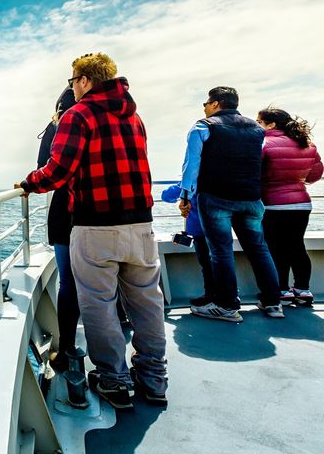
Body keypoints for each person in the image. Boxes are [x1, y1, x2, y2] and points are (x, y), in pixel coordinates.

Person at [16, 52, 167, 410]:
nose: (73, 87)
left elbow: (57, 171)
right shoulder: (135, 116)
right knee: (147, 302)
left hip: (97, 226)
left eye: (73, 81)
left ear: (84, 80)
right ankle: (154, 378)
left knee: (98, 304)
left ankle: (115, 381)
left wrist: (27, 183)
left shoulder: (78, 114)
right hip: (141, 224)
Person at [179, 86, 283, 322]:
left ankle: (226, 306)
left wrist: (185, 196)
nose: (204, 108)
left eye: (206, 103)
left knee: (220, 251)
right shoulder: (257, 129)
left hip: (216, 198)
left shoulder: (202, 127)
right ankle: (273, 302)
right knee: (259, 249)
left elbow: (191, 166)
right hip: (251, 198)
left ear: (215, 103)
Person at [258, 107, 323, 306]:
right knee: (297, 246)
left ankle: (282, 291)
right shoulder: (307, 144)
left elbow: (255, 173)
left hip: (272, 205)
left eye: (259, 122)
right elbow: (314, 175)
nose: (256, 126)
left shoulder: (263, 144)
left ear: (271, 124)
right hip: (302, 204)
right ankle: (303, 290)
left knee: (276, 248)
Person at [37, 88, 82, 372]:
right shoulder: (116, 118)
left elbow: (46, 169)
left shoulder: (60, 124)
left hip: (67, 210)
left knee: (69, 281)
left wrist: (30, 184)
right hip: (111, 210)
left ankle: (66, 348)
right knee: (108, 277)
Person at [160, 184, 213, 305]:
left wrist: (182, 186)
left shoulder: (190, 183)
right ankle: (226, 295)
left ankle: (210, 296)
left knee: (206, 264)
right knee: (220, 262)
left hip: (199, 230)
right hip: (220, 228)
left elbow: (166, 196)